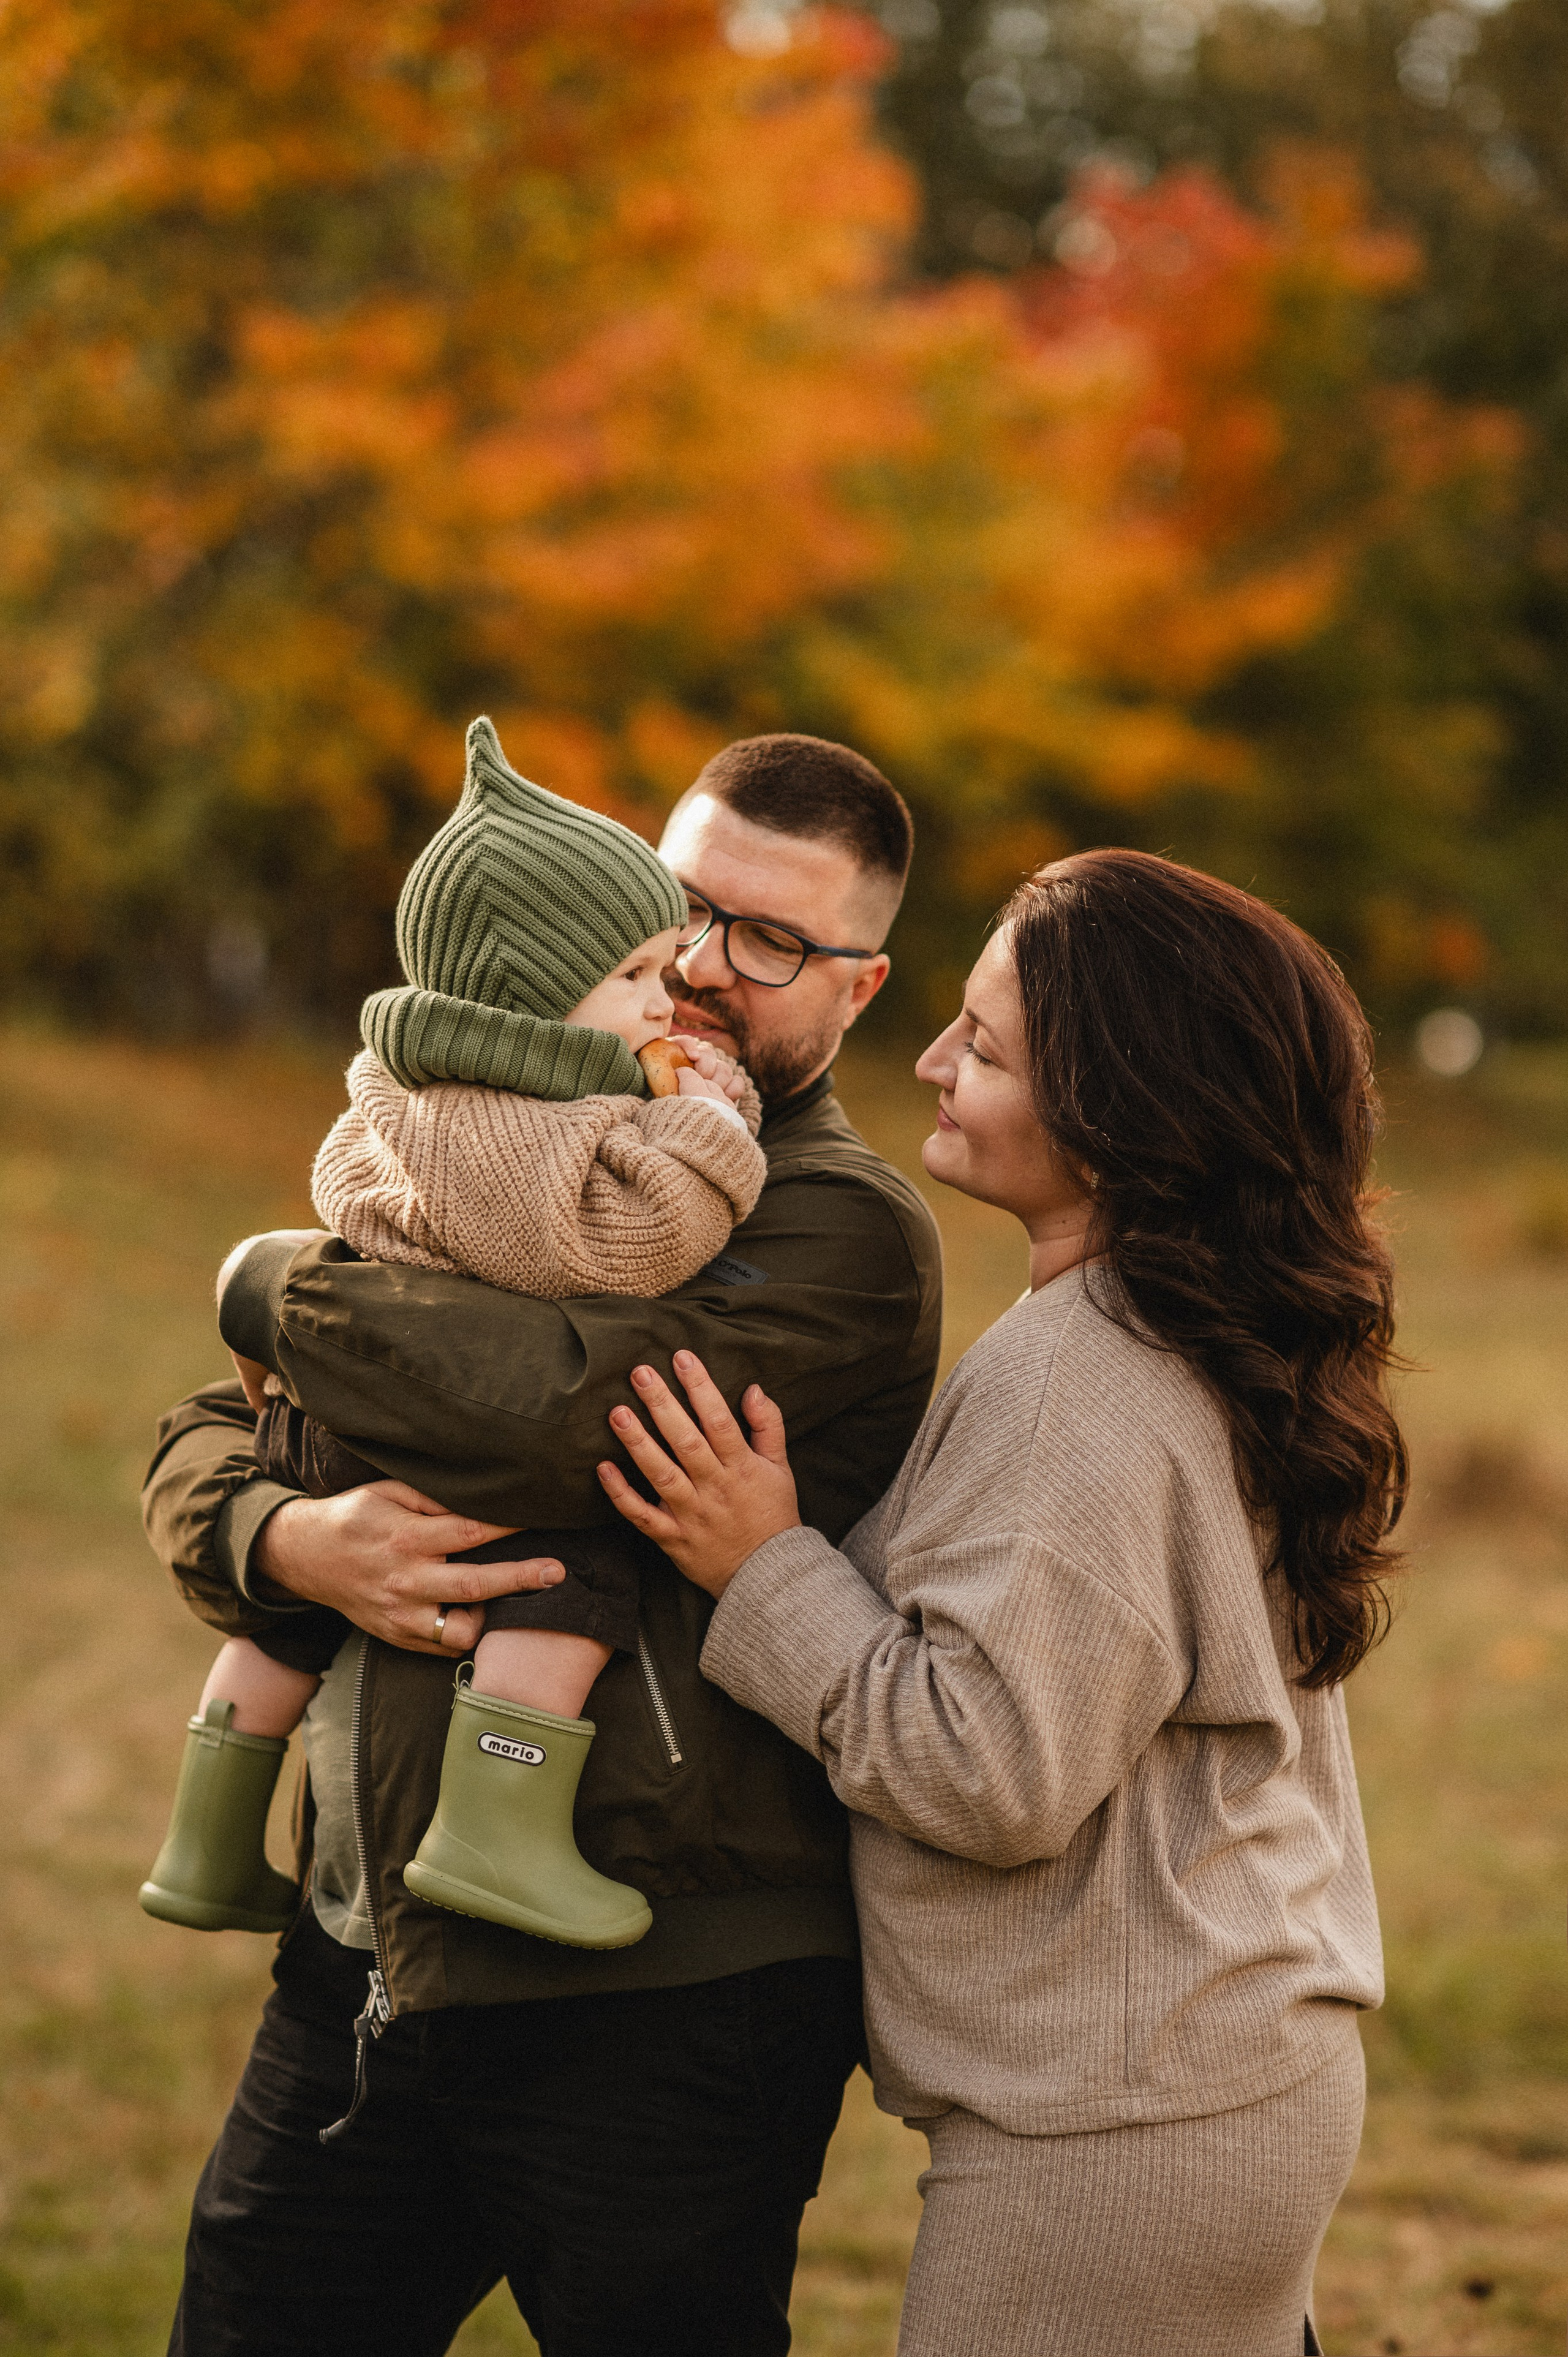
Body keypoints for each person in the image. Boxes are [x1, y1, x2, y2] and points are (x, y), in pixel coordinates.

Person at [140, 731, 943, 2356]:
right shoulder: (489, 1132)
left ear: (858, 989)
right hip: (366, 1954)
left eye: (776, 941)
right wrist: (288, 1541)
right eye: (686, 909)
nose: (708, 970)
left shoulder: (836, 1229)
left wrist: (272, 1285)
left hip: (663, 1991)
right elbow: (210, 1441)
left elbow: (563, 1417)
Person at [599, 850, 1401, 2357]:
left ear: (1124, 1110)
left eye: (987, 1044)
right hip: (1211, 2081)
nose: (930, 1060)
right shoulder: (1177, 1321)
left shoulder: (1076, 1386)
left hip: (1124, 2124)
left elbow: (986, 1771)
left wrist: (757, 1562)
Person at [139, 715, 766, 1956]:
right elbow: (607, 1251)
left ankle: (207, 1840)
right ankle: (497, 1827)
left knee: (288, 1619)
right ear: (534, 995)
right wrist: (707, 1132)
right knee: (565, 1576)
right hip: (441, 1439)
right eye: (641, 973)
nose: (669, 995)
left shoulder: (408, 1083)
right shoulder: (514, 1116)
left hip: (329, 1423)